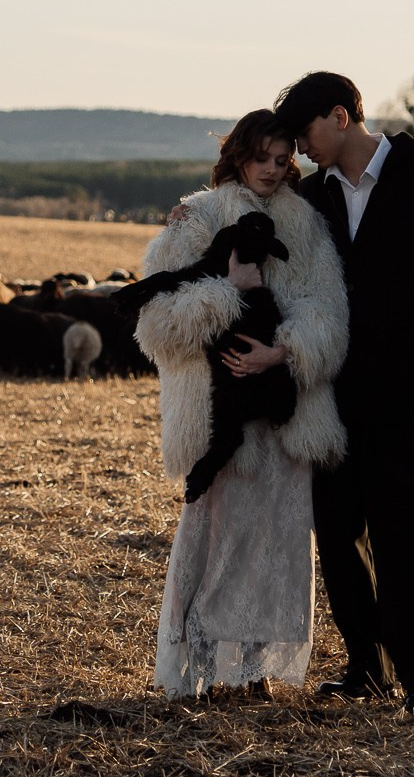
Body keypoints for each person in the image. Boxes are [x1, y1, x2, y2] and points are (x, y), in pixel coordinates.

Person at [264, 71, 414, 713]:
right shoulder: (312, 198)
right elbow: (247, 203)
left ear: (340, 116)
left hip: (411, 398)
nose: (301, 152)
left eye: (306, 135)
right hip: (331, 397)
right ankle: (366, 666)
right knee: (337, 536)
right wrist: (193, 211)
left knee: (411, 537)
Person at [133, 109, 351, 699]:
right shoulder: (197, 218)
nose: (274, 170)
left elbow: (328, 311)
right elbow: (156, 323)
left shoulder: (304, 225)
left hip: (285, 411)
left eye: (284, 161)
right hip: (219, 409)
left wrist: (281, 352)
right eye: (262, 158)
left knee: (276, 543)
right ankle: (204, 665)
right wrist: (228, 293)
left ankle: (252, 670)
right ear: (238, 155)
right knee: (218, 539)